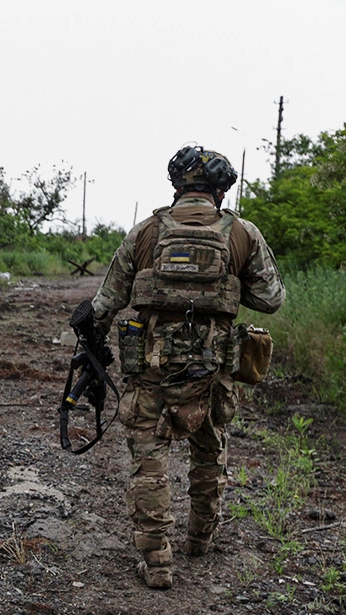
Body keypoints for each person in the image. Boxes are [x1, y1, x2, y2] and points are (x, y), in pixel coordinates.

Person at [90, 145, 286, 589]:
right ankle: (200, 538)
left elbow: (105, 304)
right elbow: (272, 299)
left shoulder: (144, 233)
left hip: (152, 372)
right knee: (209, 450)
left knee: (150, 461)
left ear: (177, 185)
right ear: (220, 189)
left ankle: (157, 560)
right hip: (212, 371)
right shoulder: (242, 234)